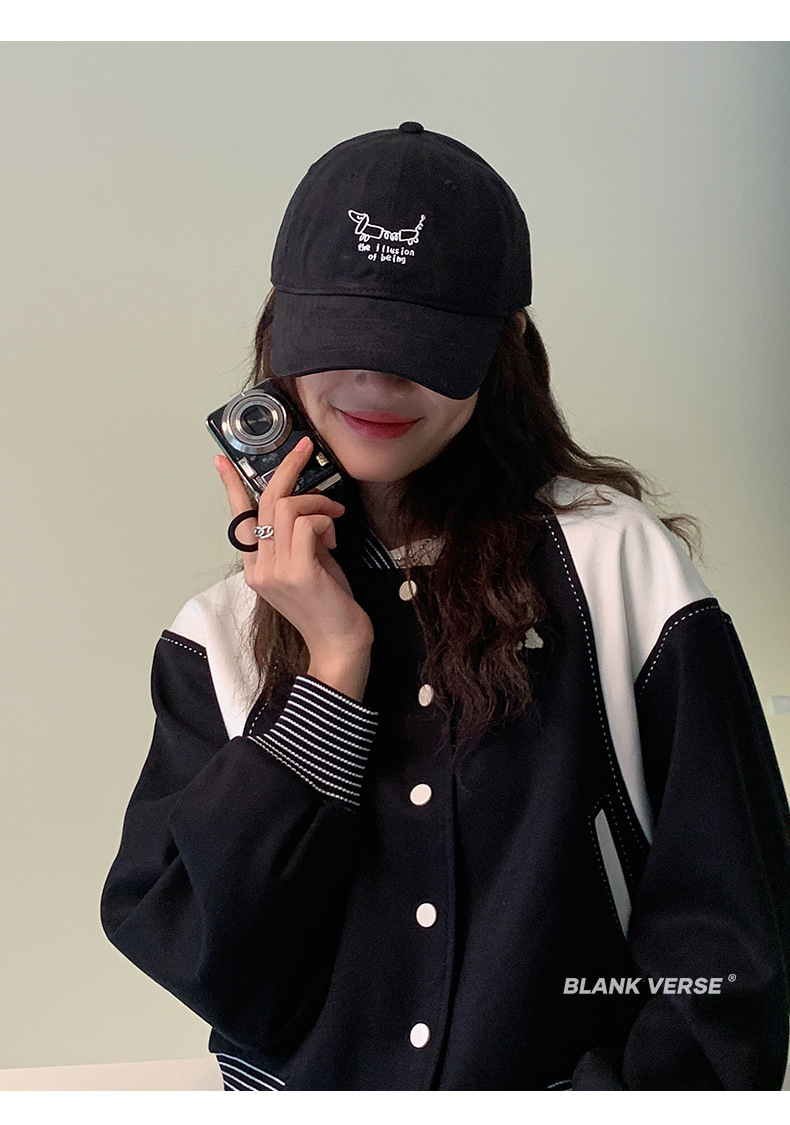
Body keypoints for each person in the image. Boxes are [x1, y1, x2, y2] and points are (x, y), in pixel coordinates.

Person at [100, 122, 790, 1091]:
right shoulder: (214, 636)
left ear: (506, 344)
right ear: (281, 329)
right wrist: (331, 667)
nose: (375, 381)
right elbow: (214, 962)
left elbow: (729, 944)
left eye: (419, 346)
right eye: (343, 340)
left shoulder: (616, 567)